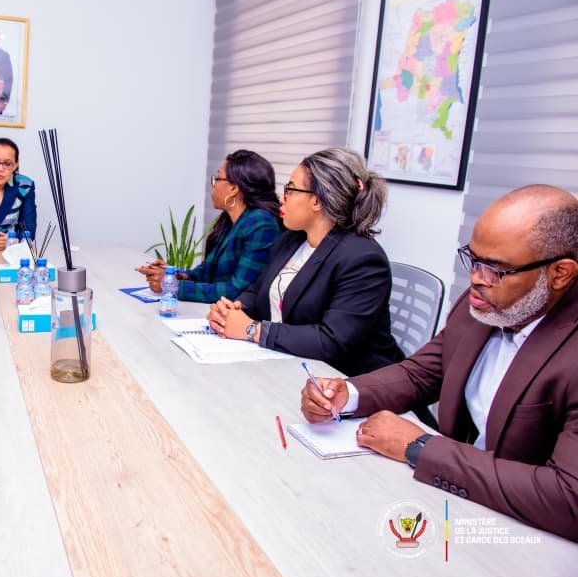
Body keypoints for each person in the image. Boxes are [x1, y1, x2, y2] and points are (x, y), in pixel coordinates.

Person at [300, 185, 578, 541]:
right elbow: (422, 373)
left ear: (560, 274)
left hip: (525, 536)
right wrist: (348, 394)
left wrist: (420, 447)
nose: (475, 278)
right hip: (453, 505)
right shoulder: (484, 304)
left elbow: (567, 498)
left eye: (495, 270)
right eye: (473, 259)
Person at [207, 147, 403, 376]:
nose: (282, 197)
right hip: (291, 364)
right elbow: (258, 290)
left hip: (346, 381)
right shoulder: (291, 240)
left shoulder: (363, 259)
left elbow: (332, 341)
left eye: (290, 189)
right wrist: (232, 311)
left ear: (317, 201)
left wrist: (252, 329)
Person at [135, 149, 281, 303]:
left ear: (233, 188)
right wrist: (173, 274)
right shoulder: (230, 221)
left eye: (217, 179)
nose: (214, 185)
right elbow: (207, 272)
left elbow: (237, 291)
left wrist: (174, 286)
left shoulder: (261, 224)